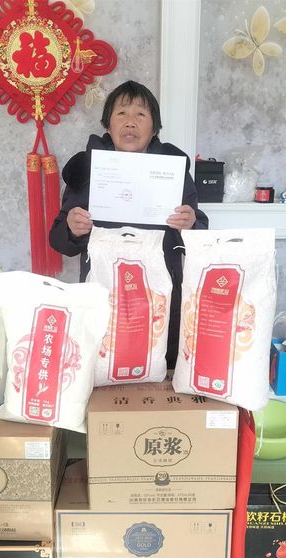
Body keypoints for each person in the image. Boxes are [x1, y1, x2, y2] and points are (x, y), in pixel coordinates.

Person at [49, 80, 208, 369]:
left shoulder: (173, 169)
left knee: (157, 367)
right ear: (108, 124)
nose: (130, 122)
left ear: (154, 128)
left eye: (141, 114)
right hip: (104, 292)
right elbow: (59, 241)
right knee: (104, 367)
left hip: (159, 294)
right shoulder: (86, 169)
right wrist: (71, 227)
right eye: (121, 113)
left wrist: (191, 224)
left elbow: (200, 233)